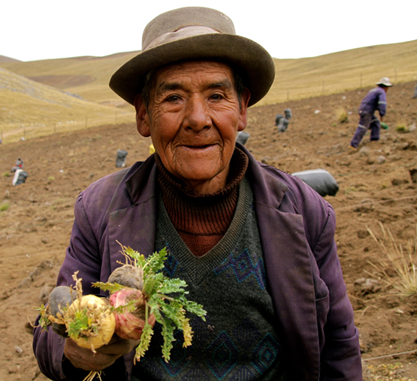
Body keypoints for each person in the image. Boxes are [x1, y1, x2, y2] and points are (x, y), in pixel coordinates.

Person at [33, 6, 362, 381]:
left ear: (242, 109)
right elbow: (51, 339)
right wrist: (73, 349)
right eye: (173, 98)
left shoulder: (305, 210)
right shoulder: (99, 208)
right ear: (144, 115)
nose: (198, 118)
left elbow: (338, 341)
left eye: (217, 96)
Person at [349, 77, 393, 150]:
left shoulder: (374, 90)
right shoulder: (381, 91)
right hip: (367, 111)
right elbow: (382, 103)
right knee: (363, 127)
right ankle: (353, 145)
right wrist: (382, 113)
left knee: (375, 122)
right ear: (385, 86)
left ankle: (374, 139)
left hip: (363, 109)